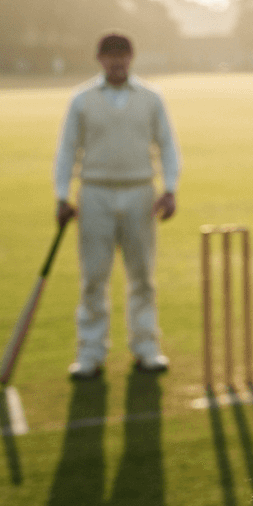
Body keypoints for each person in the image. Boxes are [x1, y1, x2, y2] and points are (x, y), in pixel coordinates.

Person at [53, 32, 179, 379]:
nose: (117, 61)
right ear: (100, 60)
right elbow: (67, 150)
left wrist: (169, 189)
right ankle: (90, 355)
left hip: (140, 192)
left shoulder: (152, 98)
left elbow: (167, 145)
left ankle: (146, 348)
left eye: (122, 54)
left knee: (142, 276)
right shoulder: (81, 99)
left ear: (131, 57)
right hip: (94, 193)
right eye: (110, 55)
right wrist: (62, 196)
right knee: (94, 277)